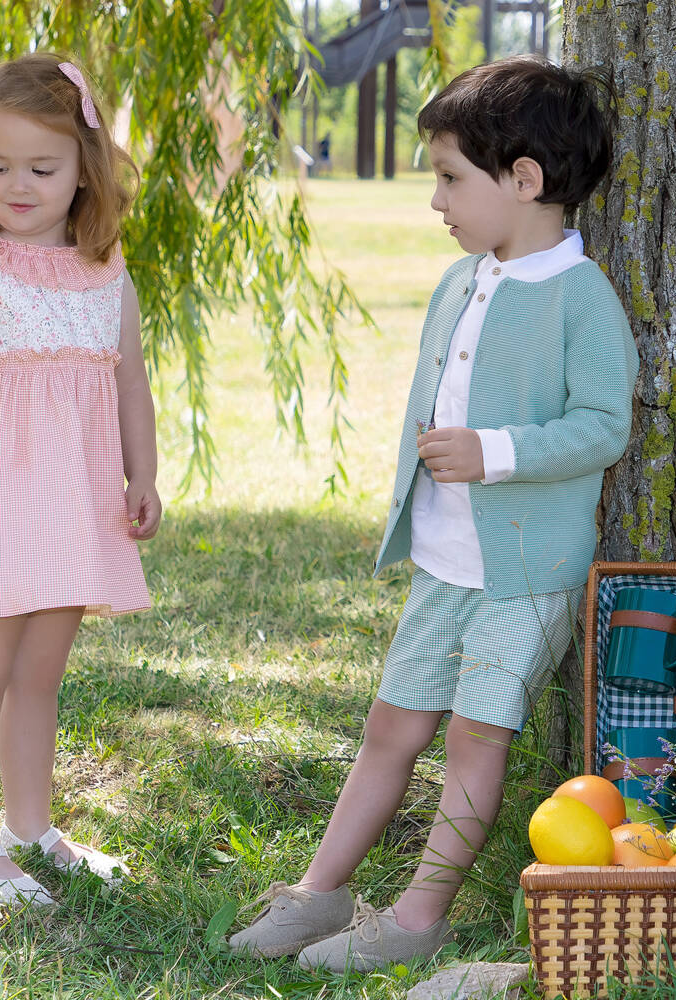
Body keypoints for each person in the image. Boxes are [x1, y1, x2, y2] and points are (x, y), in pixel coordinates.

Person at [229, 55, 638, 971]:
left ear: (523, 179)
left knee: (473, 736)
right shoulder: (464, 279)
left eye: (451, 177)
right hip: (447, 561)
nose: (436, 200)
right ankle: (318, 891)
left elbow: (603, 425)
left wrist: (493, 452)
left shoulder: (580, 298)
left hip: (525, 569)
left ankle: (420, 916)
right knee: (392, 725)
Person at [0, 53, 161, 906]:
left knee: (40, 676)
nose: (17, 185)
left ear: (85, 171)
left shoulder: (105, 271)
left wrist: (143, 474)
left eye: (42, 169)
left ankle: (31, 826)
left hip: (72, 504)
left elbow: (129, 383)